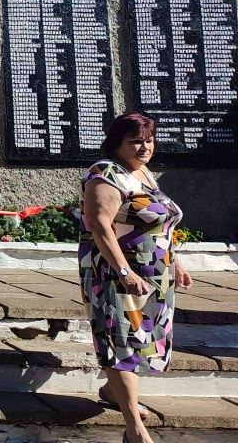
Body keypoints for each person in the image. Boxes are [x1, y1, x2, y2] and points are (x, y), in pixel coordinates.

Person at [80, 112, 192, 443]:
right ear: (117, 143)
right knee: (120, 339)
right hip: (116, 272)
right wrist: (124, 271)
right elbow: (100, 224)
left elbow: (158, 223)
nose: (144, 148)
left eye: (149, 140)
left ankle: (114, 393)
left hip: (155, 273)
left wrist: (177, 261)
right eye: (135, 142)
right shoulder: (105, 173)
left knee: (142, 340)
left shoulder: (141, 172)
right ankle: (134, 428)